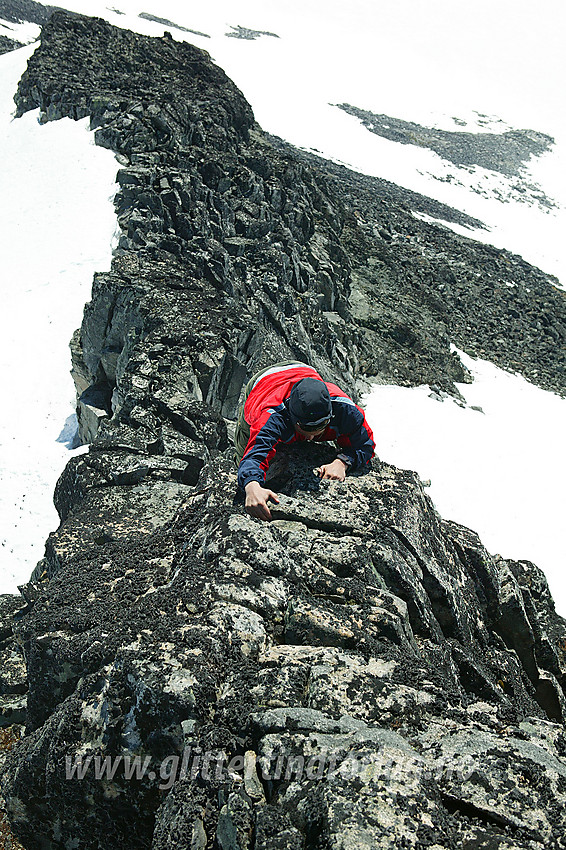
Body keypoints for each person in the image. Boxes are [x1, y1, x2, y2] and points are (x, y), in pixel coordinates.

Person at [235, 361, 375, 520]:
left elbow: (365, 445)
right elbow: (254, 455)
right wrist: (251, 485)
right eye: (305, 430)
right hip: (264, 383)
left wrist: (342, 462)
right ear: (290, 419)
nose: (310, 438)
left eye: (319, 429)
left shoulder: (344, 409)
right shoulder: (271, 417)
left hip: (302, 370)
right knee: (243, 449)